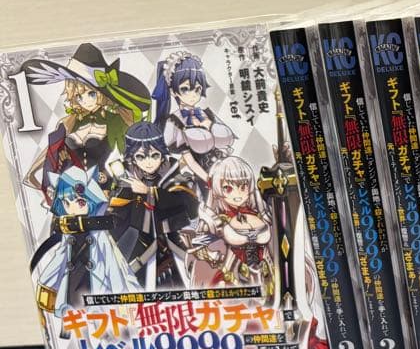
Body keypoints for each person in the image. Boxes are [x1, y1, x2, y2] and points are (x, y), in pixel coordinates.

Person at [21, 43, 150, 200]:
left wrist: (117, 175)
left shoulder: (115, 120)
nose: (85, 101)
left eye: (91, 94)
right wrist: (33, 175)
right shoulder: (69, 122)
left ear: (102, 93)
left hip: (101, 188)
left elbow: (131, 154)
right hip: (70, 192)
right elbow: (51, 151)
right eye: (78, 96)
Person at [31, 166, 139, 316]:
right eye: (66, 203)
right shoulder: (69, 233)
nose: (72, 208)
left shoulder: (99, 235)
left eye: (80, 202)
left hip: (96, 289)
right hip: (72, 290)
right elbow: (59, 261)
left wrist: (122, 299)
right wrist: (44, 292)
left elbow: (111, 265)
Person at [109, 121, 199, 290]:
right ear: (132, 157)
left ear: (162, 154)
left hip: (171, 247)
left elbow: (188, 204)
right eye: (140, 157)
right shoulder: (128, 177)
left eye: (154, 155)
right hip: (138, 246)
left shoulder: (173, 175)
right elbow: (116, 212)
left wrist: (149, 192)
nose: (148, 162)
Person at [186, 155, 273, 291]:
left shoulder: (256, 211)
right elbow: (201, 244)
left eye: (243, 187)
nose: (237, 194)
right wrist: (212, 253)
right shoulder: (217, 218)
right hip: (230, 269)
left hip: (263, 266)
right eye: (228, 188)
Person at [153, 50, 235, 187]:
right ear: (173, 91)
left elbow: (225, 145)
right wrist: (209, 180)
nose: (193, 95)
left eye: (197, 89)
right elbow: (189, 160)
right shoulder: (174, 121)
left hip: (225, 172)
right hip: (203, 179)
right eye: (185, 89)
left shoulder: (207, 114)